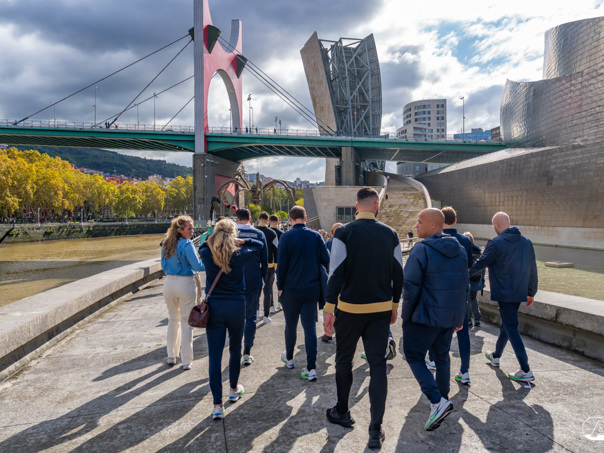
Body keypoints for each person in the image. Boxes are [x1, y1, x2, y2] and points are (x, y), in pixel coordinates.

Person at [323, 187, 403, 450]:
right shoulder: (390, 233)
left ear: (356, 207)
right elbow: (398, 273)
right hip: (380, 309)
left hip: (349, 309)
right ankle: (375, 429)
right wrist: (394, 305)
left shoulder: (344, 233)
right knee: (377, 365)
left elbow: (335, 272)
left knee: (343, 360)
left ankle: (342, 411)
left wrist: (328, 308)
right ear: (377, 205)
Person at [401, 208, 468, 432]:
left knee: (413, 355)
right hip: (448, 317)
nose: (416, 225)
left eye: (420, 221)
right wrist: (459, 315)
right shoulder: (460, 249)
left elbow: (410, 287)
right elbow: (463, 285)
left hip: (424, 316)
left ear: (432, 225)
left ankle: (437, 401)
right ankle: (442, 400)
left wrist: (406, 316)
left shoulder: (421, 249)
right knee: (441, 357)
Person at [199, 219, 264, 420]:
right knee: (235, 349)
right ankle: (234, 389)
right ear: (233, 235)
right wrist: (242, 241)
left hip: (215, 307)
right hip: (236, 305)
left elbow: (202, 245)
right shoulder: (239, 254)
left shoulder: (207, 253)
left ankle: (217, 405)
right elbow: (260, 245)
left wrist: (212, 239)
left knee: (215, 356)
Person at [470, 212, 538, 382]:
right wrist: (531, 291)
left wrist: (460, 274)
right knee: (507, 324)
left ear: (497, 225)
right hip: (519, 291)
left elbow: (480, 264)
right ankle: (496, 355)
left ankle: (525, 369)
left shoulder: (495, 243)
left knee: (511, 326)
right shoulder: (526, 242)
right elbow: (532, 268)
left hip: (504, 291)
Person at [277, 205, 329, 382]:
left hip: (290, 289)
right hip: (311, 288)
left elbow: (281, 265)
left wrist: (280, 285)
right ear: (306, 218)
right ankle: (311, 367)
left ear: (290, 220)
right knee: (310, 327)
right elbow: (326, 259)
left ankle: (290, 358)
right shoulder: (316, 236)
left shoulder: (286, 237)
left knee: (290, 325)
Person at [160, 216, 204, 371]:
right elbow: (197, 266)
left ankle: (171, 356)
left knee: (173, 319)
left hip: (169, 283)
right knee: (186, 322)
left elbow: (163, 265)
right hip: (185, 283)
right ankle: (186, 360)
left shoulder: (166, 243)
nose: (192, 231)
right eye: (189, 229)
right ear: (180, 230)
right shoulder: (187, 244)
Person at [441, 206, 473, 385]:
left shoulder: (436, 238)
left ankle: (434, 360)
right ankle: (465, 370)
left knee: (439, 330)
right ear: (455, 220)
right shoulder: (465, 240)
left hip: (442, 290)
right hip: (462, 291)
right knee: (463, 331)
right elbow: (468, 264)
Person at [235, 208, 267, 366]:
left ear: (237, 219)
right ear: (250, 218)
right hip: (253, 279)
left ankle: (235, 350)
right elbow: (265, 260)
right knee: (251, 316)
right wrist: (263, 279)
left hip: (234, 281)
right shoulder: (259, 235)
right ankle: (247, 352)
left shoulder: (231, 234)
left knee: (235, 317)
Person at [256, 211, 278, 323]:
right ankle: (266, 316)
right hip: (269, 265)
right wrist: (276, 264)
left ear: (258, 219)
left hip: (255, 265)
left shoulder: (254, 231)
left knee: (256, 290)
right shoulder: (272, 233)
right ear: (268, 220)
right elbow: (276, 250)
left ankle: (256, 312)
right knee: (268, 291)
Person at [463, 231, 484, 327]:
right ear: (473, 240)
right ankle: (477, 318)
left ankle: (468, 320)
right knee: (473, 298)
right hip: (477, 280)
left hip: (467, 279)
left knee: (467, 300)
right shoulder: (478, 250)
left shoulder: (464, 250)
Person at [269, 214, 284, 311]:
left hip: (269, 261)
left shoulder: (267, 232)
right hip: (280, 261)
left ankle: (271, 305)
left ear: (269, 221)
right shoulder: (282, 233)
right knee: (280, 282)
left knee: (269, 285)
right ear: (278, 222)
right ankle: (280, 302)